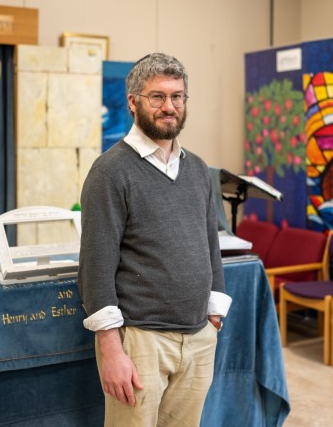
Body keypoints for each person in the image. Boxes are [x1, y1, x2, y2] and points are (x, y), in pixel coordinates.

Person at [77, 52, 232, 427]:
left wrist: (213, 314)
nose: (169, 107)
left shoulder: (196, 168)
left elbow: (210, 243)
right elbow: (96, 268)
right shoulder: (110, 172)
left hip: (197, 337)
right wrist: (111, 349)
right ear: (133, 102)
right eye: (157, 97)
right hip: (141, 341)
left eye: (177, 96)